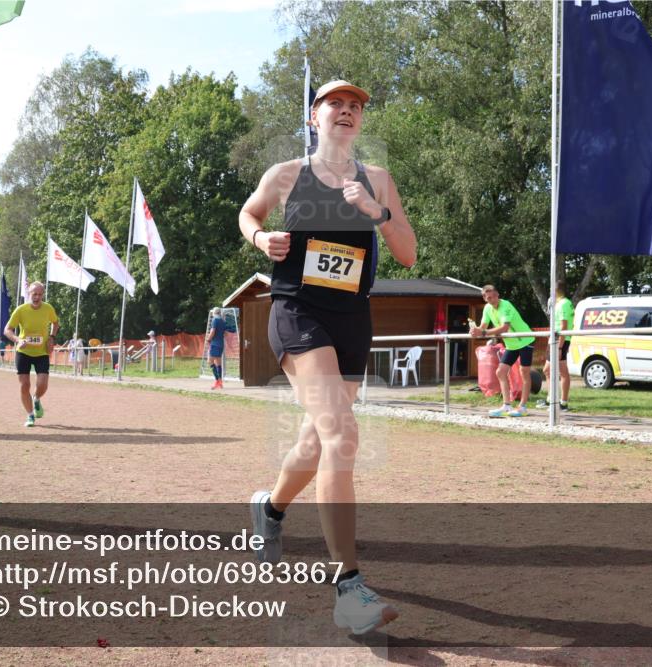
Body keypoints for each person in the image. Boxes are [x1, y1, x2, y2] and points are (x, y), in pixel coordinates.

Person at [239, 80, 417, 634]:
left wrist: (375, 211)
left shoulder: (379, 180)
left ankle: (269, 508)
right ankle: (348, 588)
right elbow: (249, 214)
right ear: (314, 117)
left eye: (356, 106)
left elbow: (408, 254)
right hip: (297, 312)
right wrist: (259, 239)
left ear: (361, 121)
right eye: (335, 103)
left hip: (351, 320)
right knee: (343, 435)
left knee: (318, 440)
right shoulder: (287, 175)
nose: (347, 110)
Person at [470, 285, 535, 417]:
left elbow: (504, 328)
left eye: (494, 296)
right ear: (485, 299)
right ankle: (506, 405)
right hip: (511, 344)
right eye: (488, 298)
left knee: (524, 372)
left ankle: (522, 407)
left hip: (525, 340)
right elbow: (483, 326)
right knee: (501, 372)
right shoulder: (487, 308)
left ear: (498, 294)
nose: (492, 299)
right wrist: (475, 330)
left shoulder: (506, 305)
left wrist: (482, 332)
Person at [3, 281, 58, 427]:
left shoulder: (48, 308)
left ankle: (37, 398)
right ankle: (30, 415)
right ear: (29, 294)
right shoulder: (21, 310)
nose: (37, 297)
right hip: (23, 352)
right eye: (34, 294)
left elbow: (56, 322)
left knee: (42, 384)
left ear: (43, 295)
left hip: (42, 352)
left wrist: (51, 338)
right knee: (24, 385)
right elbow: (7, 329)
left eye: (40, 294)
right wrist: (17, 339)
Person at [537, 280, 573, 411]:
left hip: (560, 340)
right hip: (553, 339)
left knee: (562, 371)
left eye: (551, 288)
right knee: (547, 370)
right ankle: (551, 399)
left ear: (556, 289)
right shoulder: (557, 303)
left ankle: (563, 403)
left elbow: (563, 326)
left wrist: (559, 347)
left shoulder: (564, 304)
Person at [205, 307, 236, 389]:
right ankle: (220, 382)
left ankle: (217, 381)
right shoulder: (222, 321)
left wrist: (208, 339)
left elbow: (212, 331)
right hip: (221, 344)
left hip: (214, 344)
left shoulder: (215, 320)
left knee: (210, 361)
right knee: (218, 363)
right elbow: (225, 333)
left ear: (214, 313)